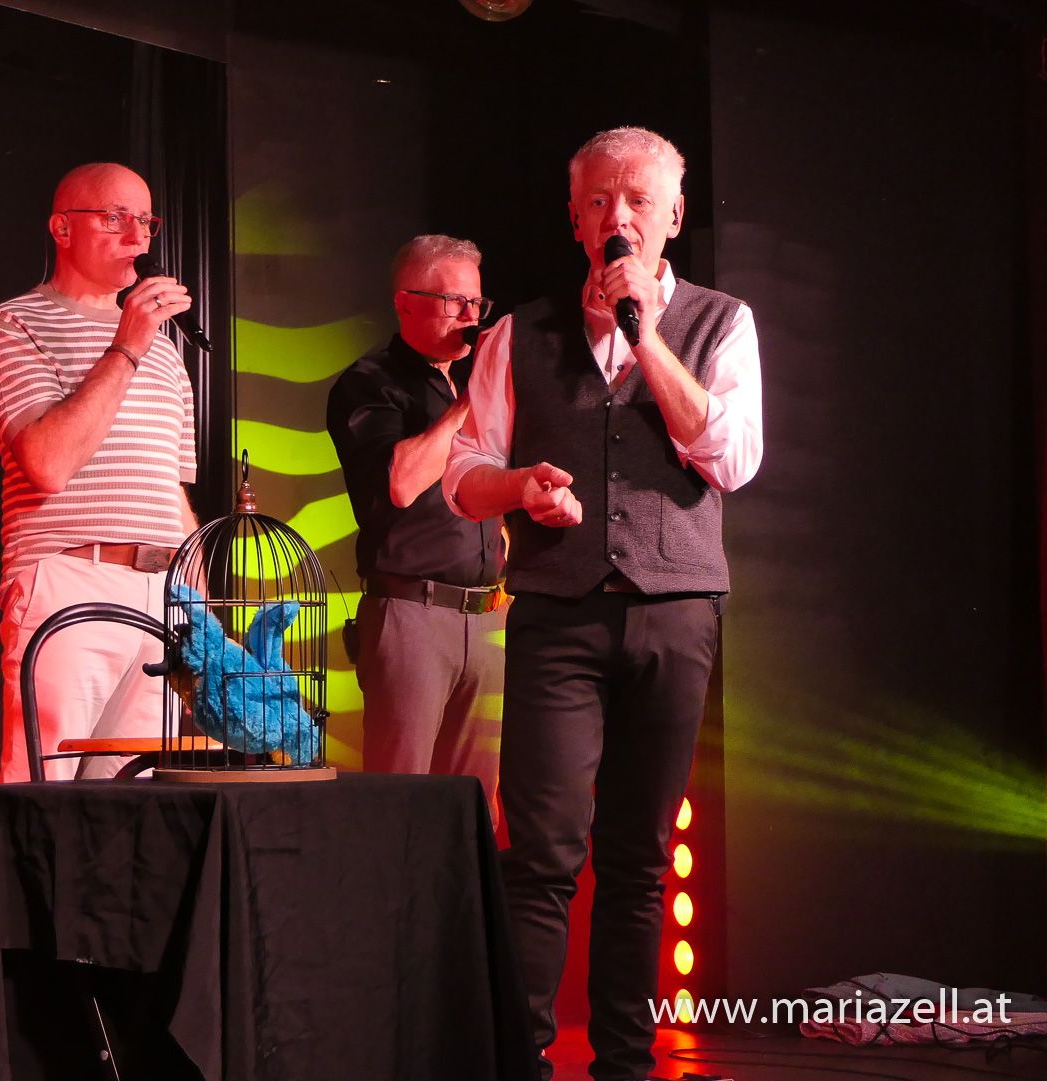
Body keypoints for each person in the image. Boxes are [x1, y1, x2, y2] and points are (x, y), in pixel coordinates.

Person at [444, 127, 762, 1081]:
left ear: (674, 216)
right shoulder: (519, 333)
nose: (617, 217)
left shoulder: (721, 322)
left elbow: (733, 458)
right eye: (598, 201)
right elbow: (464, 473)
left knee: (639, 858)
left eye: (637, 200)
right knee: (540, 852)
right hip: (557, 613)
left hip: (677, 611)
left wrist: (647, 337)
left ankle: (625, 1064)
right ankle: (525, 1062)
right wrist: (521, 488)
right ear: (575, 219)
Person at [0, 162, 198, 782]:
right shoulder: (15, 323)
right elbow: (47, 463)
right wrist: (126, 344)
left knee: (141, 795)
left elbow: (171, 488)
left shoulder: (166, 351)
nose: (137, 236)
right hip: (70, 578)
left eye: (146, 221)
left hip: (163, 594)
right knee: (44, 788)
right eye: (115, 217)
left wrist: (197, 602)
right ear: (62, 228)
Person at [326, 234, 506, 809]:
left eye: (477, 303)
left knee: (473, 806)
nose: (471, 317)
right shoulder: (369, 383)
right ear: (405, 302)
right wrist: (468, 401)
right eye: (455, 301)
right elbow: (400, 483)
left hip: (486, 618)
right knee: (399, 802)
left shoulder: (478, 381)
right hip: (413, 614)